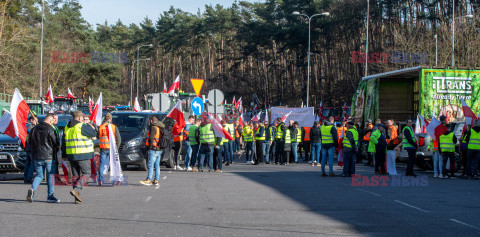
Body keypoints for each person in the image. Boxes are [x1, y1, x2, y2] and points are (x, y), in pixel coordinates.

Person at [62, 111, 97, 203]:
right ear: (80, 118)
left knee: (75, 176)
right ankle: (77, 190)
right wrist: (89, 124)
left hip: (71, 155)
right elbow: (94, 133)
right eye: (82, 118)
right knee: (86, 173)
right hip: (83, 154)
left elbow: (63, 143)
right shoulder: (82, 126)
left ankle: (76, 198)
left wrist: (64, 155)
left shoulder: (67, 127)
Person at [26, 114, 60, 203]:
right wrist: (57, 148)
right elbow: (55, 142)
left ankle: (32, 189)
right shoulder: (50, 129)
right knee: (50, 176)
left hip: (36, 156)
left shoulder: (34, 129)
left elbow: (29, 142)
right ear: (50, 121)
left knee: (39, 175)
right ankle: (50, 196)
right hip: (48, 156)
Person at [97, 113, 121, 186]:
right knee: (113, 164)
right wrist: (117, 147)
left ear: (104, 119)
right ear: (111, 119)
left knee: (102, 164)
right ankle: (114, 180)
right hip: (112, 149)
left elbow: (97, 136)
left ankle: (101, 180)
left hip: (103, 148)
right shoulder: (114, 127)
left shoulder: (100, 127)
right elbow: (119, 138)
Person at [140, 116, 165, 185]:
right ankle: (156, 180)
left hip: (153, 149)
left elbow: (151, 138)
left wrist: (149, 147)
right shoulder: (160, 127)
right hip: (159, 149)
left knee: (150, 165)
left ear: (151, 121)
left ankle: (149, 179)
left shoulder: (153, 128)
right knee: (157, 165)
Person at [24, 115, 38, 184]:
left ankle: (26, 177)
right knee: (32, 163)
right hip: (30, 147)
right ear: (32, 120)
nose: (36, 122)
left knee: (28, 163)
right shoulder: (30, 127)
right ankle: (29, 177)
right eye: (35, 120)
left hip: (28, 147)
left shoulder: (27, 126)